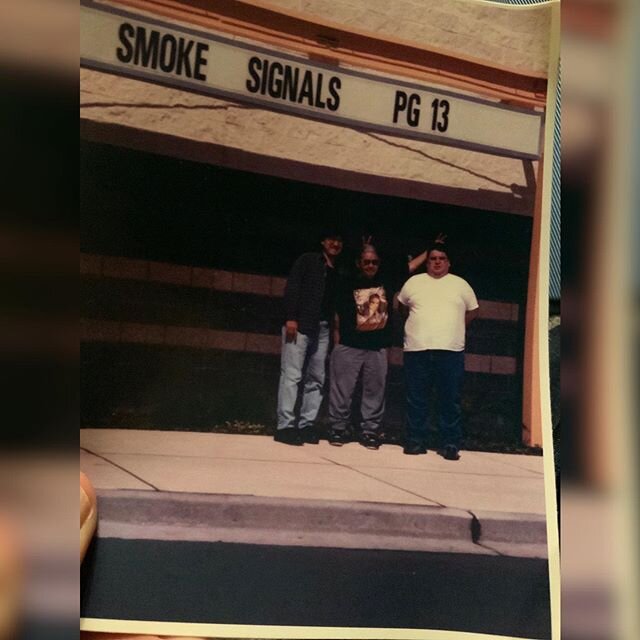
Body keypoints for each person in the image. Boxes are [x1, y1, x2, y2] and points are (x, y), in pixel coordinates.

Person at [328, 243, 427, 450]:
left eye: (374, 262)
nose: (370, 265)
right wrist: (337, 343)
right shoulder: (347, 281)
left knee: (375, 390)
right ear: (359, 263)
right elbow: (337, 315)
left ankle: (370, 431)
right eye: (366, 261)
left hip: (377, 346)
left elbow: (408, 268)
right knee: (342, 389)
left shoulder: (386, 280)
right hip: (349, 344)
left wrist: (429, 250)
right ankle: (338, 427)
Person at [397, 243, 479, 459]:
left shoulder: (460, 284)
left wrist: (452, 328)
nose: (437, 262)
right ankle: (415, 441)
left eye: (442, 258)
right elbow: (401, 307)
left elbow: (472, 312)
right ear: (427, 261)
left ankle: (450, 443)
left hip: (450, 350)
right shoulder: (414, 282)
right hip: (417, 349)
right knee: (416, 398)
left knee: (449, 398)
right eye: (433, 258)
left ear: (448, 262)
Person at [274, 230, 343, 446]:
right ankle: (285, 426)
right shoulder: (308, 260)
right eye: (331, 238)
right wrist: (291, 318)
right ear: (323, 241)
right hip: (301, 324)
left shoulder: (338, 269)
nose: (335, 243)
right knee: (292, 375)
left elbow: (334, 304)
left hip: (322, 328)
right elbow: (293, 287)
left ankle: (307, 425)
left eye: (339, 240)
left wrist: (335, 330)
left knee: (317, 377)